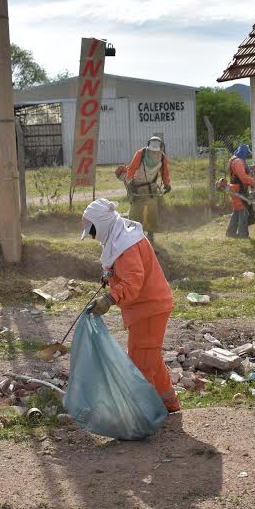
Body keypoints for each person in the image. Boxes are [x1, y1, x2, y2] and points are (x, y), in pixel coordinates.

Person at [81, 198, 180, 413]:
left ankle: (144, 416)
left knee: (140, 365)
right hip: (146, 308)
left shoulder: (125, 243)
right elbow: (125, 271)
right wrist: (110, 276)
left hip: (149, 309)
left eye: (92, 230)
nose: (91, 235)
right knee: (150, 357)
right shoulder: (120, 237)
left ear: (102, 223)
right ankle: (168, 404)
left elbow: (133, 281)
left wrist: (109, 299)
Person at [116, 136, 171, 242]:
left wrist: (166, 184)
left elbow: (165, 172)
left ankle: (150, 235)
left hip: (152, 187)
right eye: (152, 151)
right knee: (136, 211)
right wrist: (128, 179)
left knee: (152, 211)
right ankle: (134, 234)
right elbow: (132, 168)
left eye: (156, 151)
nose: (154, 153)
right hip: (138, 186)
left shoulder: (162, 157)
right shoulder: (140, 153)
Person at [226, 144, 255, 238]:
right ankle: (243, 234)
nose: (247, 155)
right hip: (239, 188)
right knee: (244, 210)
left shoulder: (233, 159)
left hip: (234, 187)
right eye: (247, 153)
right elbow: (243, 177)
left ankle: (230, 233)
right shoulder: (238, 162)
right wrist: (253, 182)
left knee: (237, 210)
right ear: (244, 152)